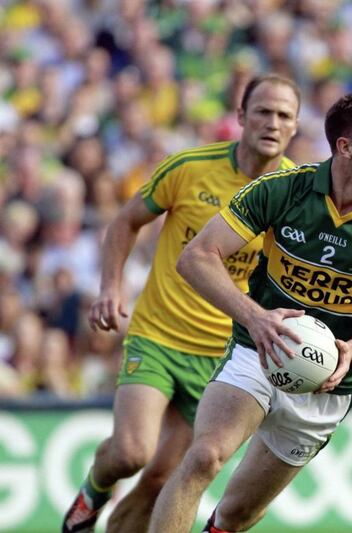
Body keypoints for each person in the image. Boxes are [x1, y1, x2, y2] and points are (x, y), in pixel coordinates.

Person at [148, 92, 352, 533]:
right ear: (345, 147)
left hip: (328, 385)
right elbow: (197, 256)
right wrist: (255, 318)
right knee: (204, 457)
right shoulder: (282, 190)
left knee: (237, 515)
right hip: (259, 349)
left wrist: (351, 351)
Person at [62, 73, 301, 533]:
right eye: (263, 112)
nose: (272, 123)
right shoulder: (190, 167)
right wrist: (111, 287)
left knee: (162, 478)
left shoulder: (293, 194)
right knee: (132, 452)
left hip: (220, 357)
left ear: (295, 126)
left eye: (283, 115)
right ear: (241, 117)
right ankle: (93, 491)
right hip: (157, 333)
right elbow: (124, 222)